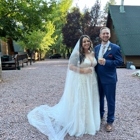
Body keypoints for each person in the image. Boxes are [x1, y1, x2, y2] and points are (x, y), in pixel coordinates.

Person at [27, 35, 100, 140]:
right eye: (84, 42)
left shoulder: (92, 53)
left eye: (88, 41)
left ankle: (89, 122)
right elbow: (71, 67)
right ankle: (79, 125)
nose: (86, 43)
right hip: (82, 80)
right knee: (81, 100)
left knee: (90, 100)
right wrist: (84, 71)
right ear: (80, 44)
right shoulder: (76, 54)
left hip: (91, 81)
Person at [94, 27, 123, 132]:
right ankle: (100, 116)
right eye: (103, 33)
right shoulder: (96, 48)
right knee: (99, 99)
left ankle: (110, 121)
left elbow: (120, 62)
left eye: (107, 33)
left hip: (110, 79)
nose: (105, 35)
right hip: (97, 79)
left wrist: (107, 62)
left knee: (110, 100)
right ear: (100, 35)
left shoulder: (115, 48)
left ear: (109, 35)